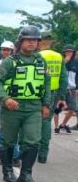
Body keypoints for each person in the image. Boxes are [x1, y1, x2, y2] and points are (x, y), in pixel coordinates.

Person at [0, 26, 54, 182]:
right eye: (28, 40)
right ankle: (7, 171)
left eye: (35, 40)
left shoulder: (41, 61)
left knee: (33, 140)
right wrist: (5, 99)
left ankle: (26, 174)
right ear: (21, 42)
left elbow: (46, 83)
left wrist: (46, 104)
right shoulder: (10, 62)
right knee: (8, 140)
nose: (32, 43)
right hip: (12, 107)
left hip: (34, 107)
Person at [38, 31, 68, 163]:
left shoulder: (37, 56)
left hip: (38, 93)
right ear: (51, 42)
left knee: (32, 121)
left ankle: (27, 151)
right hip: (54, 93)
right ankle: (43, 154)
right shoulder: (58, 56)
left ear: (41, 41)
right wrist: (62, 97)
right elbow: (64, 78)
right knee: (46, 122)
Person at [0, 41, 20, 165]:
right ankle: (9, 155)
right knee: (8, 127)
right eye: (3, 49)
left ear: (12, 51)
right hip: (2, 99)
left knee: (9, 127)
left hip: (13, 98)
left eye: (7, 50)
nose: (4, 52)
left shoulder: (16, 62)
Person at [57, 45, 76, 133]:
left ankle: (63, 124)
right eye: (67, 51)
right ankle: (56, 127)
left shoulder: (76, 62)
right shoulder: (60, 60)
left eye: (71, 51)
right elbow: (57, 71)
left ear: (73, 53)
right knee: (57, 109)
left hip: (72, 88)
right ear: (64, 52)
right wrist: (65, 61)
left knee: (72, 108)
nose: (69, 53)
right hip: (61, 88)